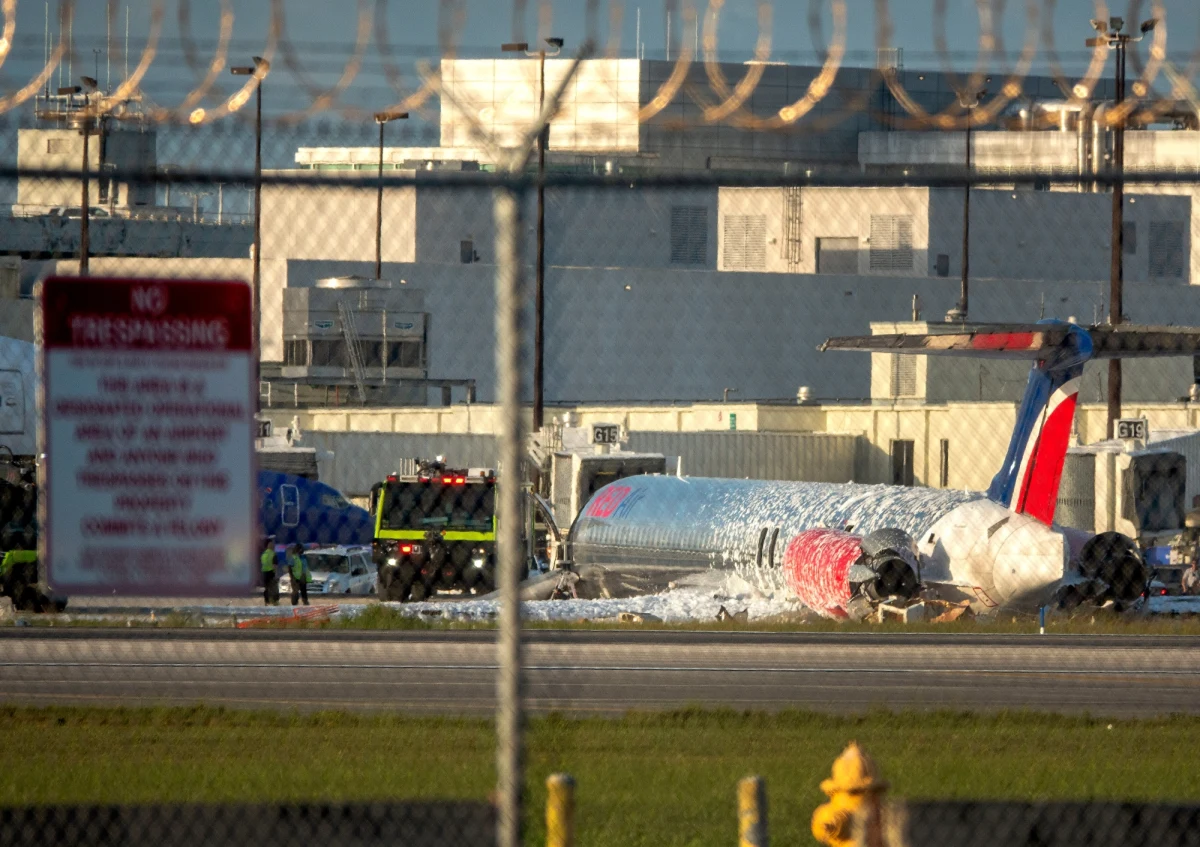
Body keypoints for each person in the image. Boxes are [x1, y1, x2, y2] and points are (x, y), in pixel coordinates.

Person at [260, 537, 278, 605]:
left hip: (264, 573)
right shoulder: (273, 554)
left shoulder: (263, 554)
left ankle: (266, 601)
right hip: (271, 572)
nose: (273, 545)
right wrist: (275, 573)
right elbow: (275, 565)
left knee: (266, 588)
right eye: (272, 544)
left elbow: (262, 563)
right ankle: (274, 601)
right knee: (274, 588)